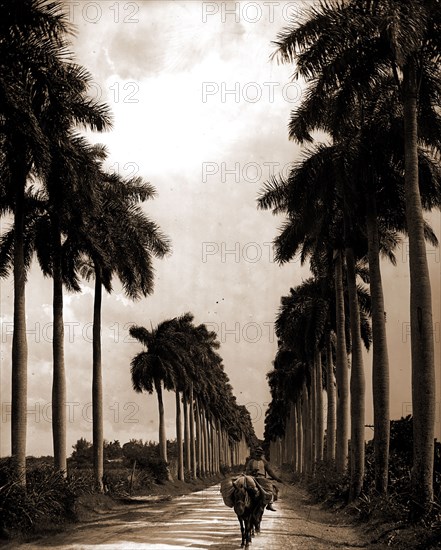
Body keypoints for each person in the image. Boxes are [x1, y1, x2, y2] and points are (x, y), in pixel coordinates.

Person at [245, 446, 282, 511]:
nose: (258, 454)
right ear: (255, 453)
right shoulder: (251, 461)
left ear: (261, 454)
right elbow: (247, 471)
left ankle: (269, 504)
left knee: (271, 488)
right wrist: (252, 472)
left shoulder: (265, 462)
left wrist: (277, 478)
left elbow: (270, 472)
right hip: (252, 478)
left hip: (262, 478)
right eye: (257, 453)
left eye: (259, 453)